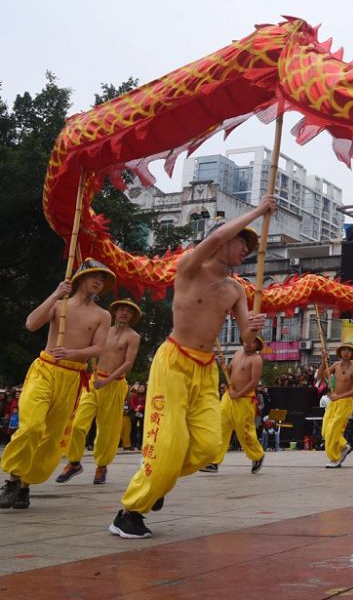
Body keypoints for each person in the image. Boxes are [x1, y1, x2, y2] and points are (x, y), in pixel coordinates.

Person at [108, 198, 272, 539]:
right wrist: (258, 211)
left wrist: (253, 327)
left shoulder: (236, 290)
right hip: (174, 362)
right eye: (242, 242)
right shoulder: (190, 267)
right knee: (168, 445)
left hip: (206, 370)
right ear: (222, 240)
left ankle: (159, 479)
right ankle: (128, 514)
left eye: (248, 246)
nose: (246, 250)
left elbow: (246, 338)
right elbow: (214, 238)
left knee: (209, 447)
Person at [1, 259, 114, 510]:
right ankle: (12, 480)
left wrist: (74, 354)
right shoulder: (59, 304)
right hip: (45, 370)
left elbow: (99, 348)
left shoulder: (103, 315)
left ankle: (25, 485)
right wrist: (55, 294)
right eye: (94, 276)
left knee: (51, 437)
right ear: (80, 278)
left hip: (72, 377)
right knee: (32, 426)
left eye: (103, 279)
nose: (99, 281)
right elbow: (31, 324)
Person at [57, 299, 142, 486]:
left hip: (114, 385)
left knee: (107, 430)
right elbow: (89, 349)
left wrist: (107, 381)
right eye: (121, 309)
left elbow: (128, 363)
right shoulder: (104, 331)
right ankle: (74, 462)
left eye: (128, 311)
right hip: (94, 382)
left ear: (132, 316)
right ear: (115, 312)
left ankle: (102, 466)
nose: (124, 313)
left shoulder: (133, 336)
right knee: (78, 424)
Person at [202, 335, 266, 474]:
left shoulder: (256, 359)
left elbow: (254, 382)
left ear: (257, 345)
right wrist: (224, 366)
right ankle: (214, 462)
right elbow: (229, 372)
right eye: (247, 340)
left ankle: (257, 455)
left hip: (244, 400)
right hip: (228, 397)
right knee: (220, 428)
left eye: (253, 342)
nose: (249, 344)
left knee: (245, 432)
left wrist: (239, 394)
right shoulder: (237, 354)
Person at [317, 341, 353, 468]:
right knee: (325, 429)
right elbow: (320, 376)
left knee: (333, 429)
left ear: (352, 354)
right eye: (344, 350)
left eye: (349, 350)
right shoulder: (335, 365)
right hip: (333, 403)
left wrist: (338, 396)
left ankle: (335, 458)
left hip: (345, 403)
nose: (346, 352)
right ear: (340, 353)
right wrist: (323, 361)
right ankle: (344, 446)